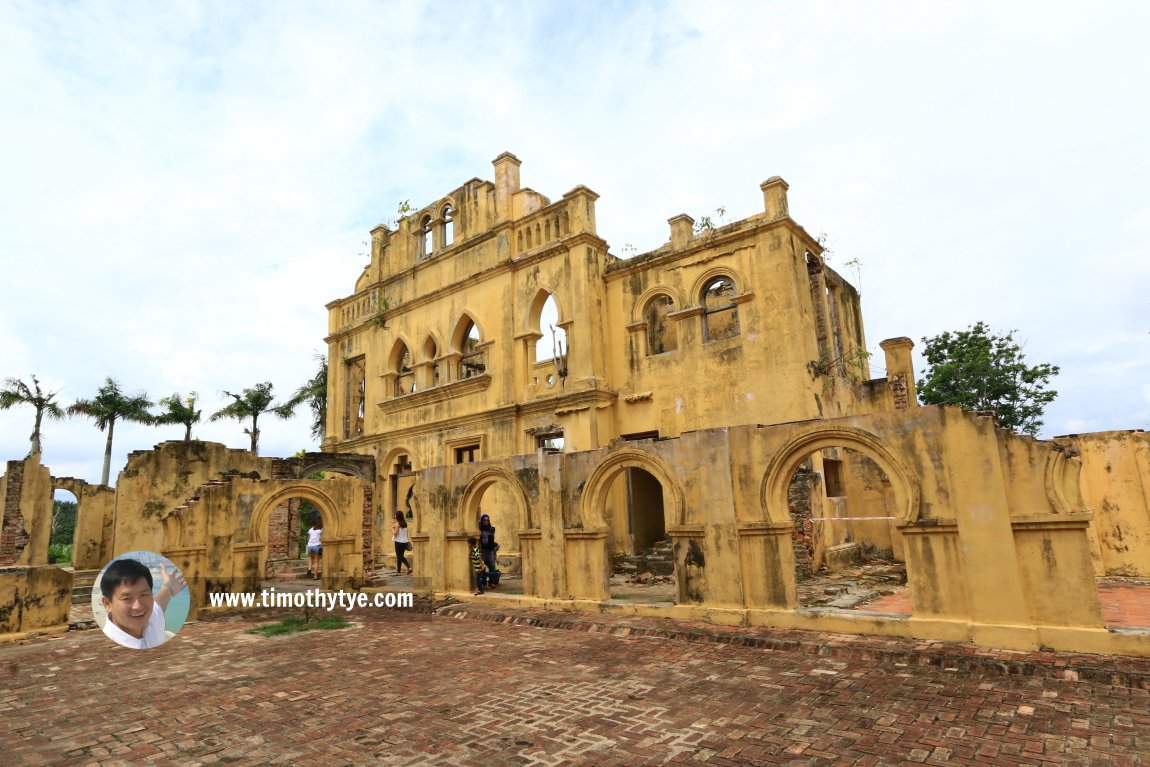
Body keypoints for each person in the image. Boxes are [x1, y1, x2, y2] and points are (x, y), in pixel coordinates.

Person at [100, 557, 185, 650]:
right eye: (127, 598)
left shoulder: (151, 619)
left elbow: (159, 603)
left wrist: (169, 588)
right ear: (107, 604)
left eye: (144, 595)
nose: (138, 606)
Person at [392, 510, 413, 575]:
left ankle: (399, 572)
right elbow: (406, 533)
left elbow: (395, 534)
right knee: (401, 556)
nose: (395, 516)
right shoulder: (405, 524)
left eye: (395, 515)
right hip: (404, 542)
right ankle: (407, 568)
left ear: (397, 516)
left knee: (399, 557)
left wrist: (392, 528)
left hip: (398, 542)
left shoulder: (397, 524)